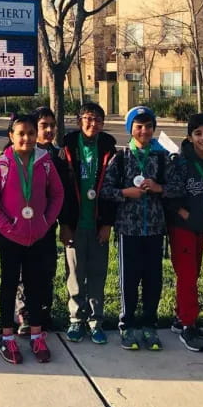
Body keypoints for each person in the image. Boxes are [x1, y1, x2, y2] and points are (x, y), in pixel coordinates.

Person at [0, 114, 65, 365]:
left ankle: (37, 334)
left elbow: (57, 195)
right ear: (11, 136)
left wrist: (45, 221)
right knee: (8, 284)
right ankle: (7, 336)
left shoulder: (45, 163)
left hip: (37, 235)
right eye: (21, 133)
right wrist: (6, 226)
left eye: (30, 133)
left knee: (35, 285)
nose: (27, 138)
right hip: (9, 237)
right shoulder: (2, 164)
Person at [100, 106, 180, 352]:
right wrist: (126, 193)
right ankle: (127, 324)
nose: (144, 131)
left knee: (153, 279)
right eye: (138, 126)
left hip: (155, 229)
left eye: (148, 126)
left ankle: (149, 323)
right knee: (129, 279)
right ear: (130, 129)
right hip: (129, 230)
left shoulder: (162, 157)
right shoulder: (121, 158)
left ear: (153, 128)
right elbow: (105, 190)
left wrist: (159, 188)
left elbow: (178, 188)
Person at [59, 102, 117, 345]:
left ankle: (95, 320)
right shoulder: (67, 148)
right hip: (75, 223)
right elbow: (61, 189)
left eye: (98, 120)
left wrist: (108, 224)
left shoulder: (110, 148)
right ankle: (76, 319)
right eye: (88, 118)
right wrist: (64, 223)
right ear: (79, 120)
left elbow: (112, 189)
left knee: (97, 273)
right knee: (74, 272)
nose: (93, 124)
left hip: (98, 224)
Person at [166, 113, 203, 353]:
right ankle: (189, 325)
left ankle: (181, 318)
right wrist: (183, 213)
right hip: (182, 228)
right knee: (187, 277)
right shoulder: (180, 161)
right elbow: (168, 193)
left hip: (201, 227)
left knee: (193, 274)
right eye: (198, 133)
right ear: (189, 136)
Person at [14, 105, 67, 335]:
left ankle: (44, 313)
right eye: (43, 126)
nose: (49, 130)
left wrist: (62, 222)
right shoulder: (19, 154)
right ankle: (25, 314)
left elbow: (62, 194)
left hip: (47, 225)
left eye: (52, 126)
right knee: (24, 273)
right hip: (22, 226)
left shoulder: (58, 156)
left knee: (46, 270)